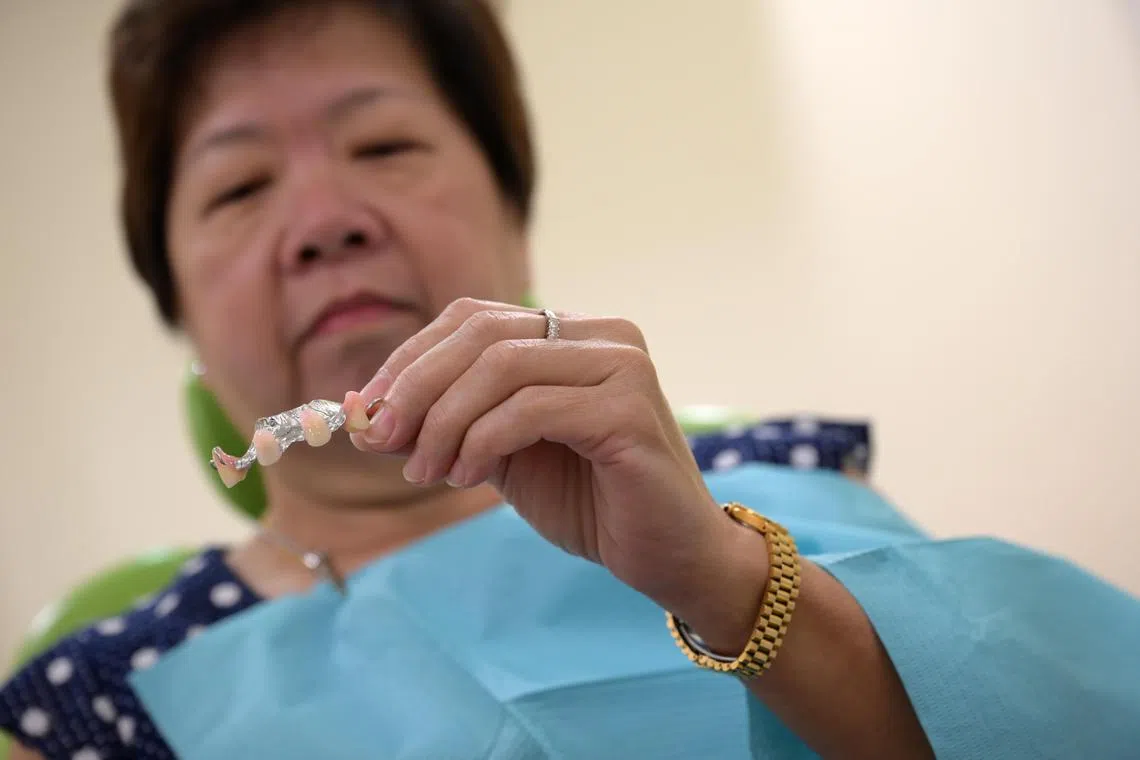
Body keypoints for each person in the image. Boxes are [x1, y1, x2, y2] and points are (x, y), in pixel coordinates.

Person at [2, 1, 1138, 758]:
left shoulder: (759, 488)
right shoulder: (100, 699)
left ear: (515, 216)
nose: (324, 223)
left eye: (385, 146)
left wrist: (726, 574)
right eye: (239, 188)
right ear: (180, 309)